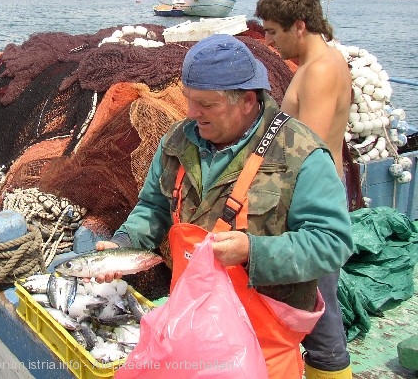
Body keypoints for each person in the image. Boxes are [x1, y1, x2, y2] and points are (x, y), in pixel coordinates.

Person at [94, 34, 353, 378]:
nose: (191, 113)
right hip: (193, 324)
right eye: (189, 100)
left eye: (206, 104)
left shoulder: (302, 155)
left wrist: (254, 251)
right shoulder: (177, 140)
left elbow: (332, 243)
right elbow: (154, 208)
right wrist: (123, 246)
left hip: (265, 342)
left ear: (247, 100)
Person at [256, 0, 353, 379]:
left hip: (313, 200)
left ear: (299, 25)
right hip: (309, 196)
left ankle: (330, 371)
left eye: (273, 31)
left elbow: (304, 149)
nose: (268, 40)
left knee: (318, 305)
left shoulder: (321, 71)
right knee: (312, 301)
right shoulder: (313, 65)